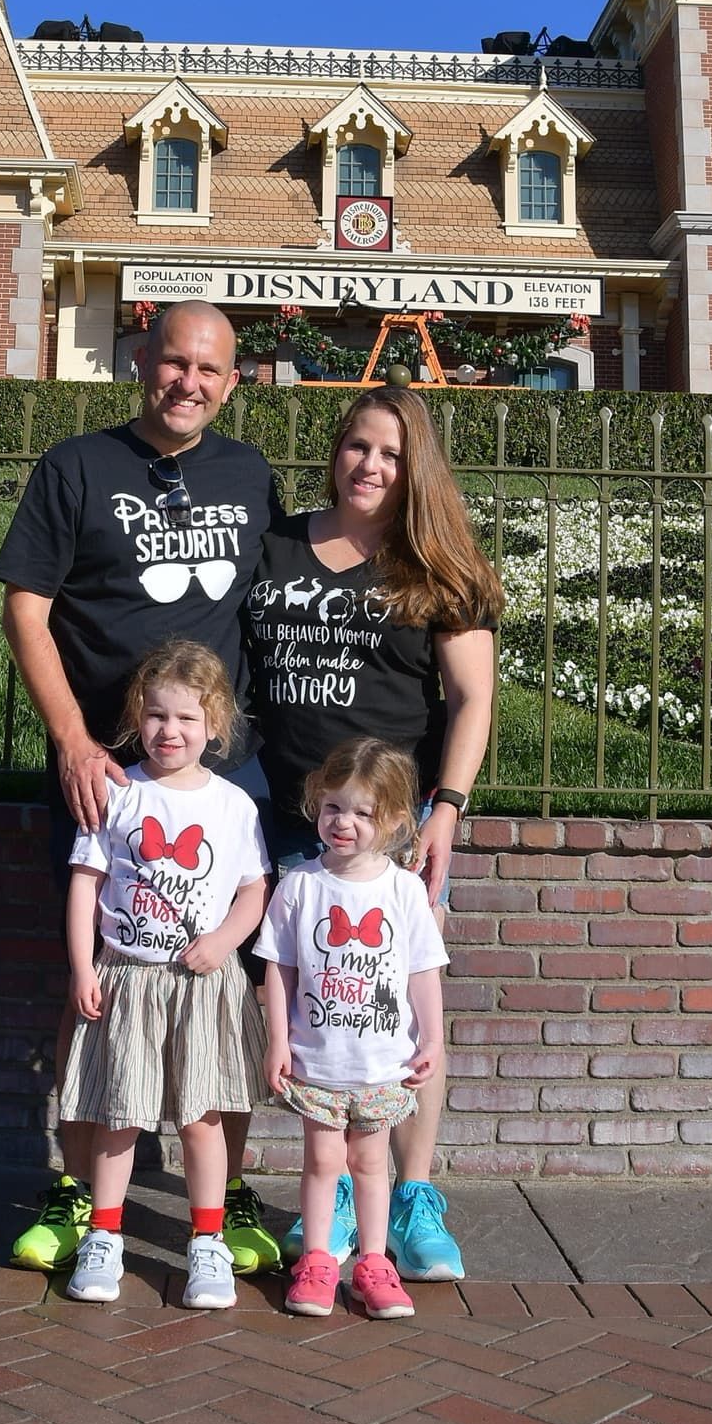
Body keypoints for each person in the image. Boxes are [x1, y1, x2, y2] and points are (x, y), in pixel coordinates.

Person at [0, 299, 282, 1274]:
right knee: (98, 992)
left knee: (224, 994)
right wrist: (73, 739)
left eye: (209, 370)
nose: (188, 383)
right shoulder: (76, 467)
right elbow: (24, 610)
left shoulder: (250, 475)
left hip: (223, 775)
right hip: (109, 774)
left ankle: (222, 1194)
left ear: (231, 381)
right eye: (173, 364)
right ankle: (80, 1195)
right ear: (140, 362)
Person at [242, 385, 501, 1281]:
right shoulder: (275, 544)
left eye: (390, 453)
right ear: (336, 451)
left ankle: (411, 1190)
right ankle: (339, 1187)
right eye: (357, 446)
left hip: (390, 829)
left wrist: (447, 807)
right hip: (284, 815)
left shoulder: (437, 563)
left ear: (413, 465)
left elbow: (472, 698)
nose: (369, 465)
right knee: (318, 1007)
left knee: (401, 1008)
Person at [63, 640, 270, 1309]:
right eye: (156, 715)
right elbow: (84, 882)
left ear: (214, 724)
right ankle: (104, 1234)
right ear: (137, 717)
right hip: (127, 977)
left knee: (201, 1117)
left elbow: (253, 889)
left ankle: (206, 1241)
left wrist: (225, 941)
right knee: (118, 1114)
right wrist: (81, 966)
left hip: (201, 984)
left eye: (185, 717)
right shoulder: (118, 790)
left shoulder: (233, 804)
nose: (169, 730)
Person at [258, 739, 448, 1319]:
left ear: (392, 820)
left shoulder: (404, 890)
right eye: (334, 807)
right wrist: (276, 1042)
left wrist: (433, 1039)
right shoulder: (300, 885)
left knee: (370, 1164)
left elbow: (423, 971)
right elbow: (278, 969)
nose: (344, 822)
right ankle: (317, 1261)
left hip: (382, 1065)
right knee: (321, 1164)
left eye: (363, 812)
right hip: (319, 1062)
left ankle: (372, 1264)